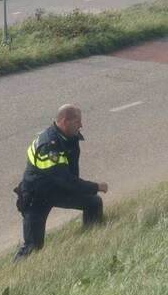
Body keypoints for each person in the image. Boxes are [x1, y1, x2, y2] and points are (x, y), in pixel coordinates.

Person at [13, 104, 109, 260]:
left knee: (93, 203)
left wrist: (85, 190)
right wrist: (96, 186)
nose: (81, 125)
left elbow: (71, 173)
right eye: (77, 122)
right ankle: (16, 273)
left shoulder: (69, 137)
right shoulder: (49, 146)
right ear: (65, 121)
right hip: (36, 197)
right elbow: (67, 181)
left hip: (56, 189)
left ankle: (92, 246)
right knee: (33, 247)